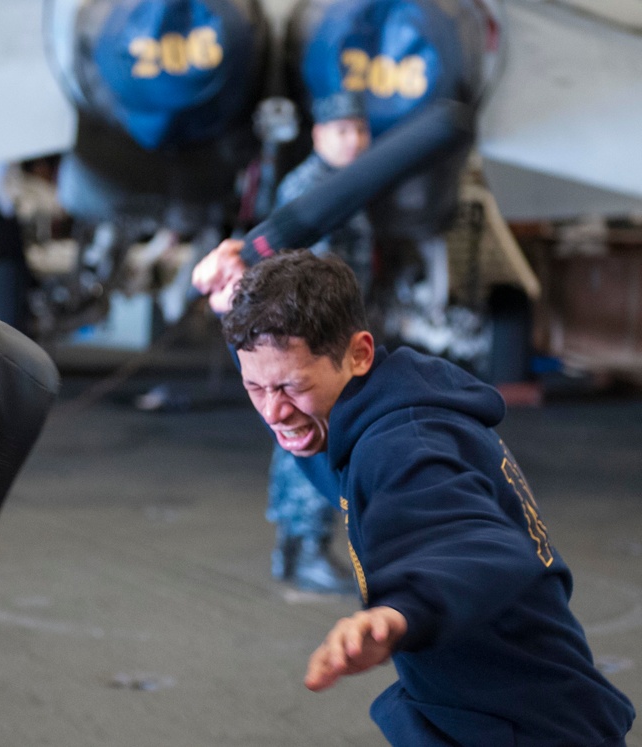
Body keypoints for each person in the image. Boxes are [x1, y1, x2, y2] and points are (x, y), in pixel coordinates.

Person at [221, 250, 635, 745]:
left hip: (526, 727)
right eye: (253, 387)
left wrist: (398, 612)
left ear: (359, 353)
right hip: (475, 710)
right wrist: (225, 300)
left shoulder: (407, 446)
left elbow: (477, 545)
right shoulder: (367, 414)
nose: (272, 411)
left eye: (290, 385)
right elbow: (326, 459)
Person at [195, 91, 373, 593]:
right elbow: (301, 276)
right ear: (318, 136)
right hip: (310, 342)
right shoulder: (310, 191)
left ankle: (297, 550)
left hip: (331, 336)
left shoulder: (343, 187)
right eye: (341, 131)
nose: (354, 141)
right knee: (312, 435)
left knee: (303, 434)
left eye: (360, 131)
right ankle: (306, 549)